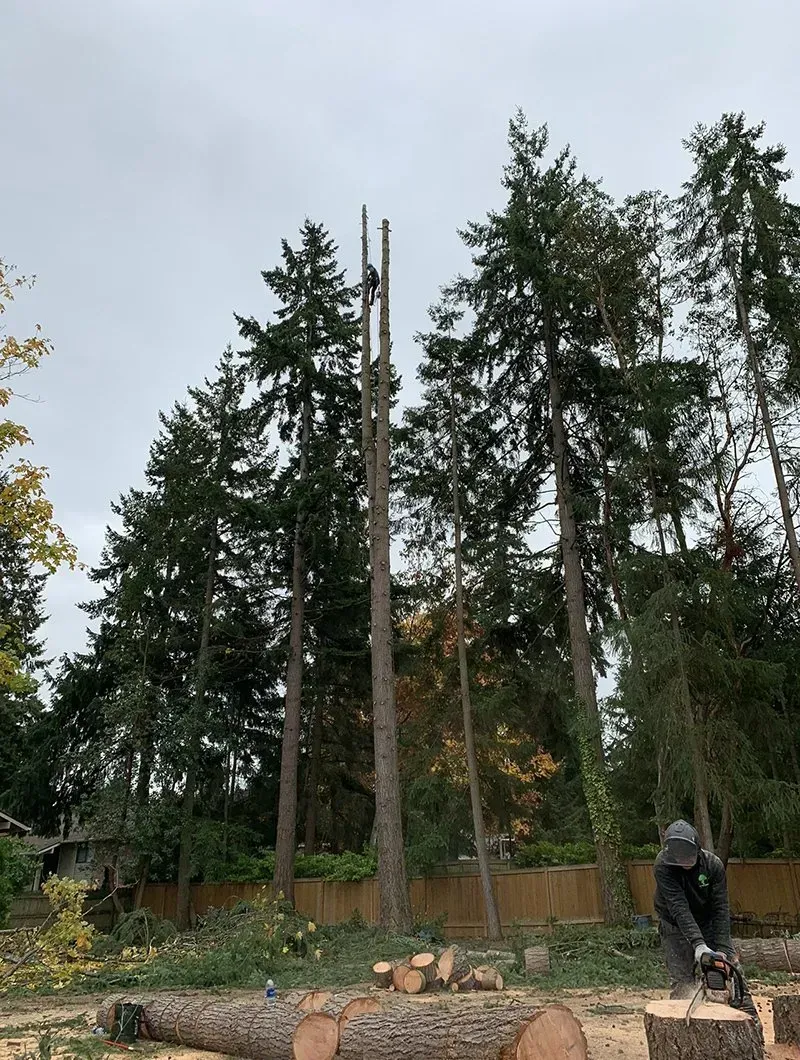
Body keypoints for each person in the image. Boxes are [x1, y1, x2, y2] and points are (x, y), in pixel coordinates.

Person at [654, 819, 760, 1026]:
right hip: (674, 925)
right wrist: (698, 944)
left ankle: (752, 1024)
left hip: (708, 921)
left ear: (697, 849)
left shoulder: (713, 865)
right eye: (679, 858)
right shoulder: (663, 866)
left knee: (733, 972)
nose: (684, 862)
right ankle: (682, 1035)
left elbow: (720, 908)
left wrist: (722, 949)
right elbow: (678, 907)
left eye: (688, 857)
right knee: (681, 981)